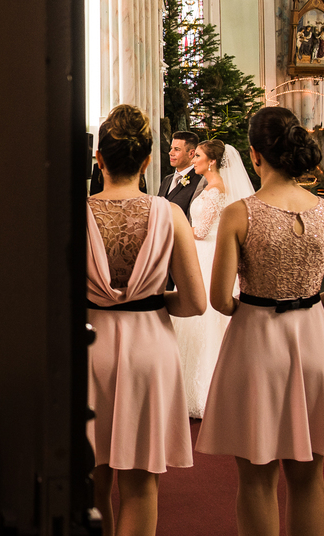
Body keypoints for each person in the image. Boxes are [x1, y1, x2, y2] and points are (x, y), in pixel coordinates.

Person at [196, 108, 324, 535]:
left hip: (257, 343)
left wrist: (252, 308)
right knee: (309, 477)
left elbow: (219, 299)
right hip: (313, 339)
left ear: (255, 155)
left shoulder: (240, 213)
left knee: (257, 478)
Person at [87, 105, 207, 536]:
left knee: (89, 485)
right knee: (140, 489)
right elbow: (195, 302)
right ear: (146, 161)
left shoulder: (74, 214)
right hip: (149, 352)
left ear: (99, 159)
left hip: (88, 350)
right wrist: (153, 301)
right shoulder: (169, 214)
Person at [170, 139, 254, 418]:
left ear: (213, 161)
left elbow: (201, 230)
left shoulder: (216, 189)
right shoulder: (209, 186)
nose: (194, 160)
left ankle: (205, 390)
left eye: (199, 156)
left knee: (203, 324)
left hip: (206, 256)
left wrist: (173, 228)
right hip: (203, 254)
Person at [157, 131, 205, 222]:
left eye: (177, 149)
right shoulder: (167, 180)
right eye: (171, 148)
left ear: (191, 153)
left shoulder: (200, 183)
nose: (171, 153)